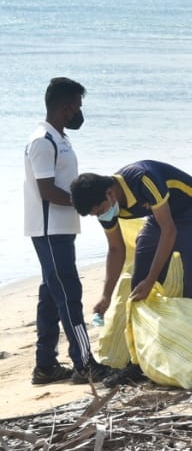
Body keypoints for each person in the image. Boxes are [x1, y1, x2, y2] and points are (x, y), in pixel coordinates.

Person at [24, 77, 113, 385]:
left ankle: (45, 365)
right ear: (65, 107)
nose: (79, 111)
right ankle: (84, 363)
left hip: (62, 229)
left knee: (51, 294)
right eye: (77, 106)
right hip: (48, 230)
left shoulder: (59, 137)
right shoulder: (42, 141)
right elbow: (47, 190)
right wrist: (83, 204)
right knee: (69, 293)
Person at [71, 161, 192, 309]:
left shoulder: (143, 179)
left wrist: (151, 281)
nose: (101, 216)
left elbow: (169, 231)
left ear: (110, 194)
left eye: (100, 211)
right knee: (140, 281)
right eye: (95, 215)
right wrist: (106, 296)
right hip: (158, 216)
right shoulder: (106, 209)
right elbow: (116, 249)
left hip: (191, 211)